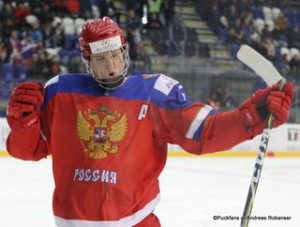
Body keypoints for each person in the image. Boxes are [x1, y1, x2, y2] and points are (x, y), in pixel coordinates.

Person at [6, 17, 294, 227]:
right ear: (86, 60)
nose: (111, 67)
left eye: (116, 56)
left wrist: (252, 116)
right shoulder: (60, 91)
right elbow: (26, 150)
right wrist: (24, 124)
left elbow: (204, 132)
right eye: (101, 59)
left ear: (125, 53)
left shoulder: (154, 92)